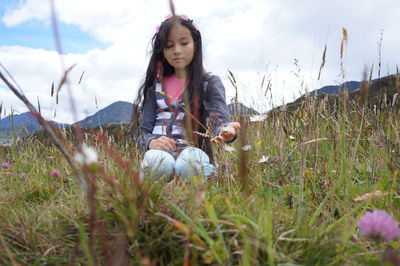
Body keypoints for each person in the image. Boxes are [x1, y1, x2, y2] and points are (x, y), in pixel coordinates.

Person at [134, 14, 240, 180]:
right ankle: (156, 193)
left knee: (188, 163)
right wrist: (151, 142)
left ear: (195, 44)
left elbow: (220, 120)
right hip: (159, 154)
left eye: (184, 43)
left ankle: (211, 179)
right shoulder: (155, 86)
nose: (177, 50)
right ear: (162, 51)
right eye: (169, 46)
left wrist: (227, 131)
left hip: (193, 152)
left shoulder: (208, 82)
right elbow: (142, 131)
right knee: (158, 163)